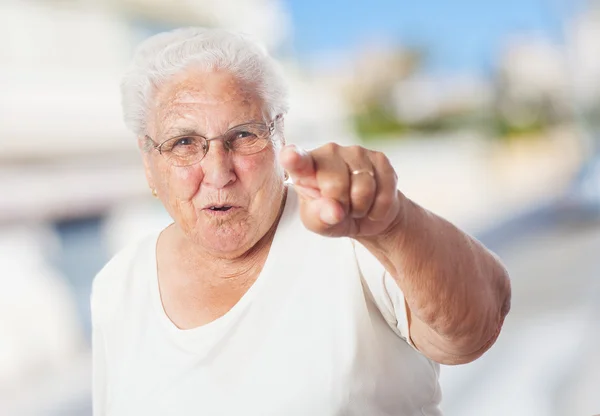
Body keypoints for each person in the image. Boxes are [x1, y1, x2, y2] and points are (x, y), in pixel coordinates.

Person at [91, 27, 511, 416]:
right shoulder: (117, 286)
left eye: (243, 135)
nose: (219, 172)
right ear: (149, 164)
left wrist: (394, 223)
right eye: (184, 142)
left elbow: (475, 328)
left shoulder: (349, 231)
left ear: (279, 138)